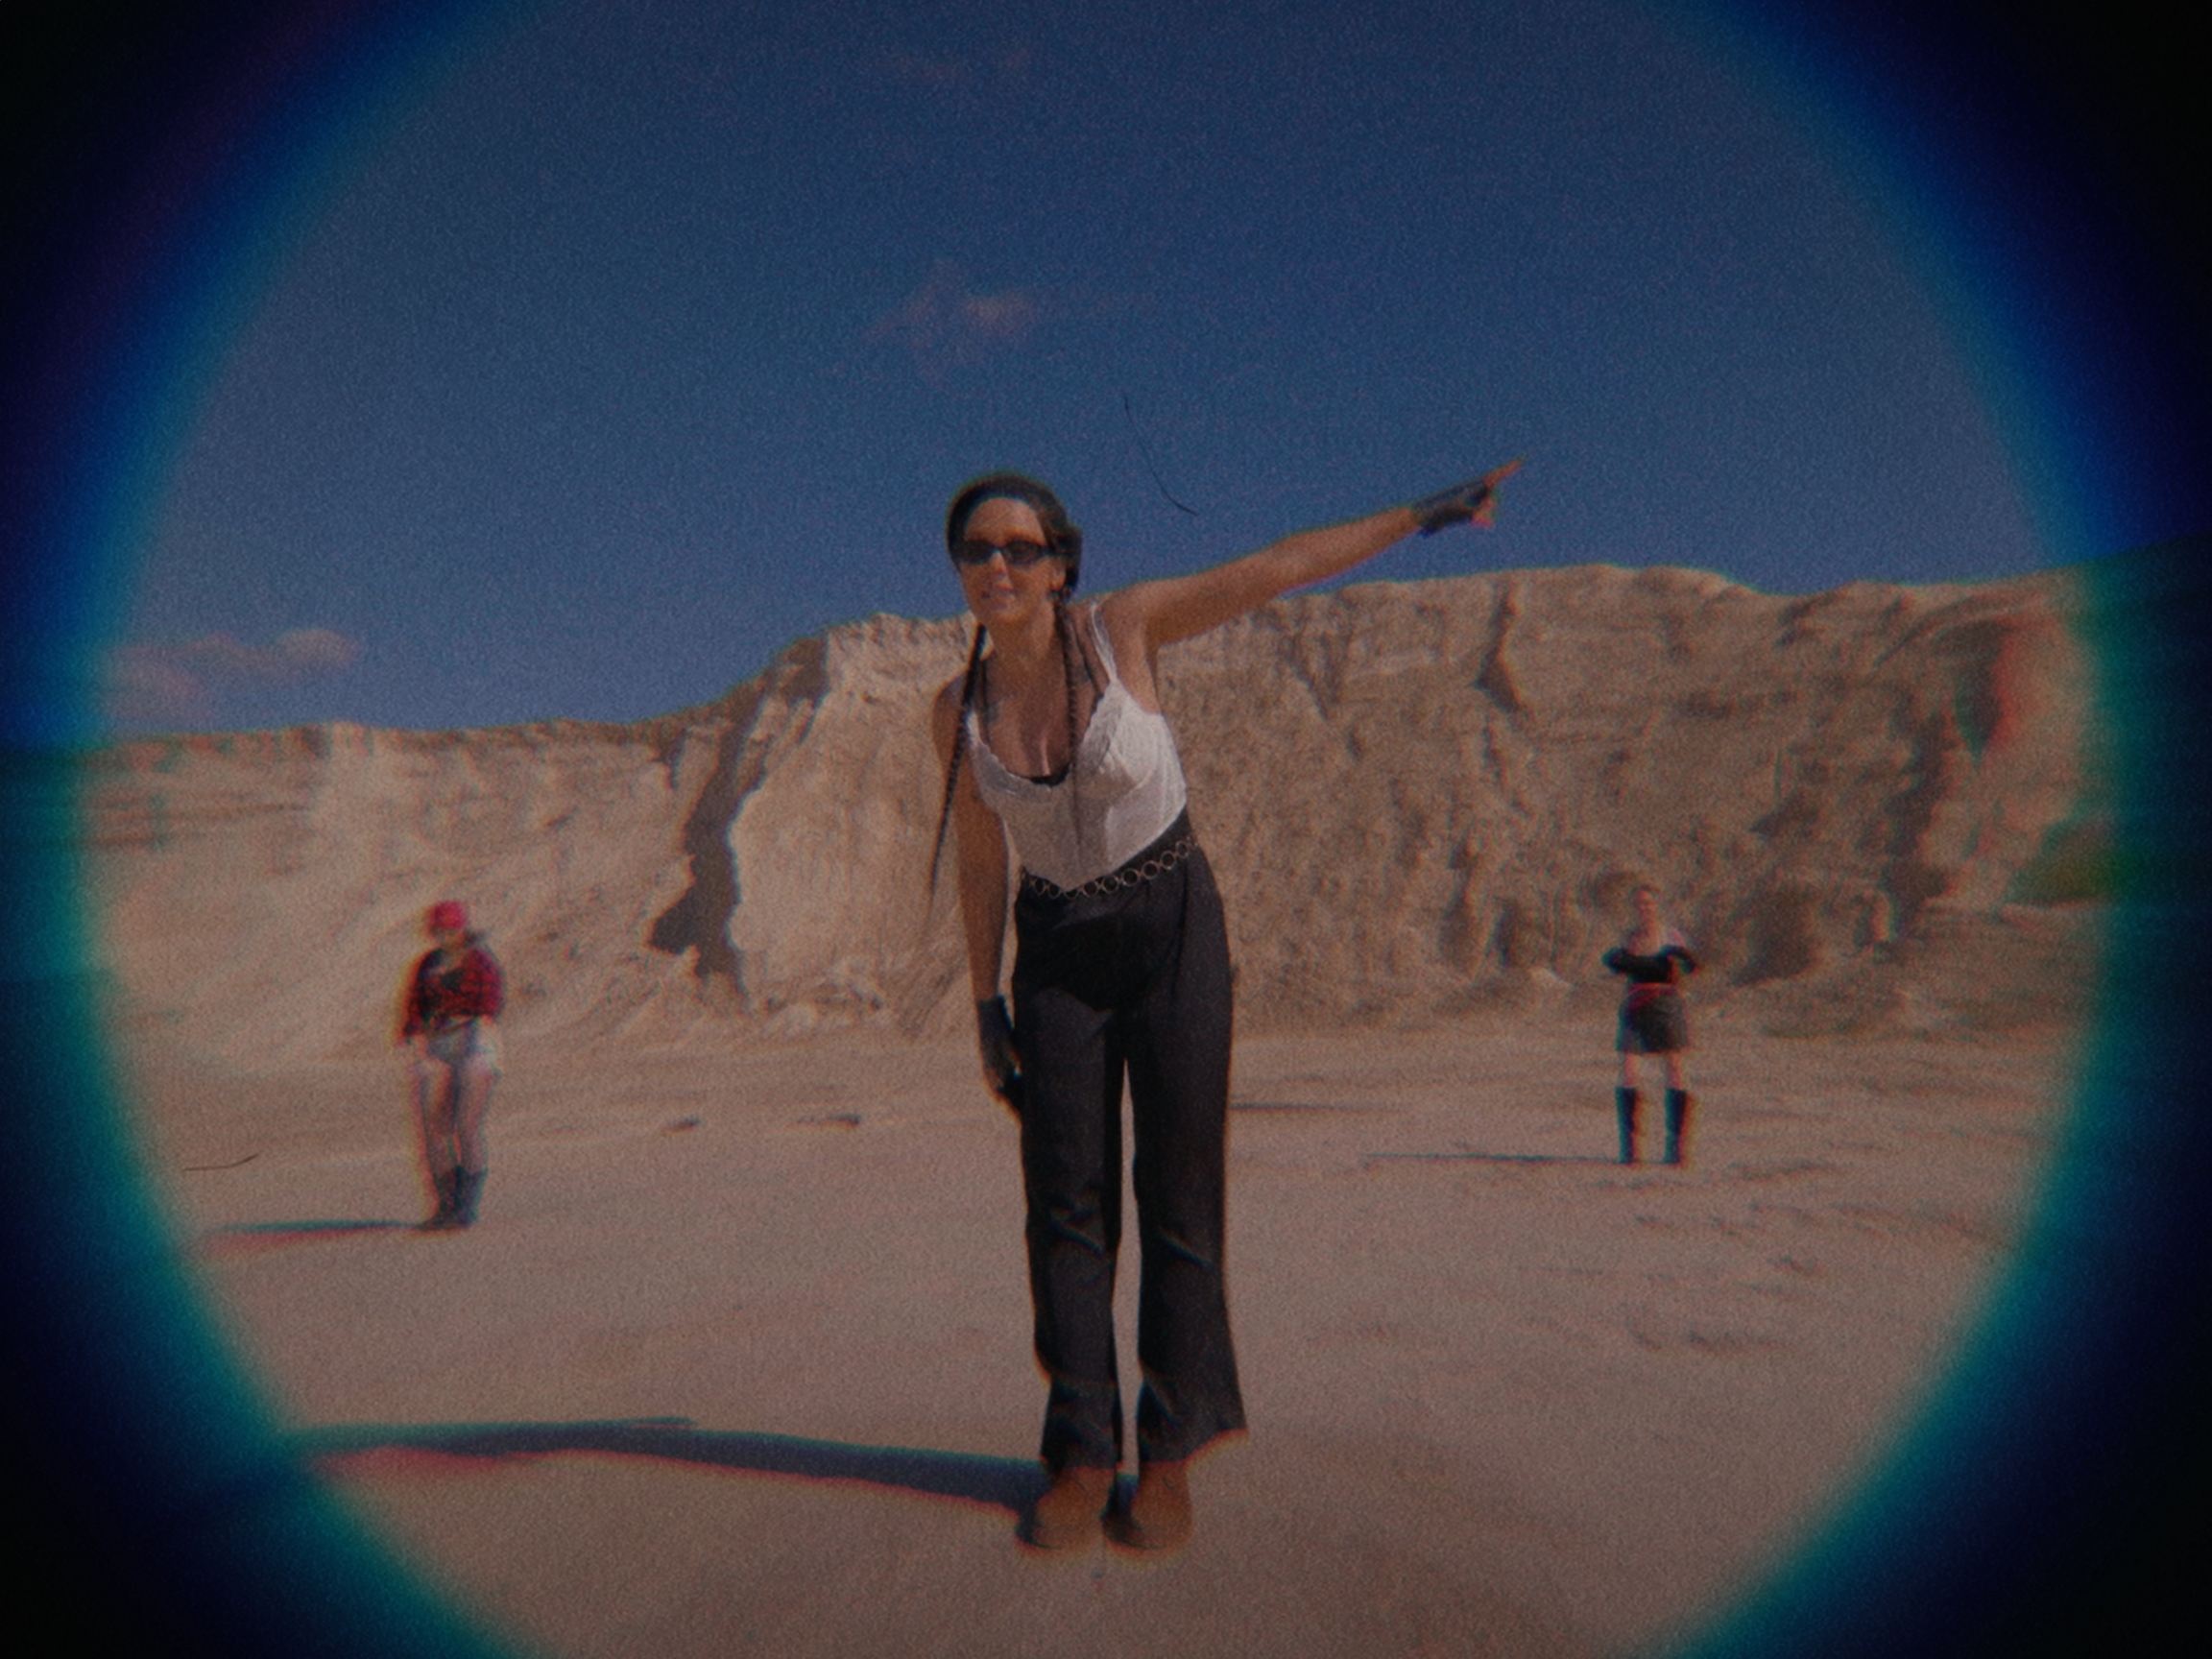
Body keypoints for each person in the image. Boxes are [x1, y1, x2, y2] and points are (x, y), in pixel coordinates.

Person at [928, 460, 1518, 1551]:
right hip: (1054, 949)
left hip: (1173, 926)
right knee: (1064, 1203)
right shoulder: (954, 710)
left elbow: (1276, 568)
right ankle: (1081, 1451)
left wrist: (1425, 512)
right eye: (976, 549)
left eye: (1019, 547)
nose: (996, 565)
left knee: (1181, 1192)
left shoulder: (1123, 631)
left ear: (1059, 565)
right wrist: (983, 999)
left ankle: (1170, 1449)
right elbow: (978, 859)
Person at [397, 899, 504, 1229]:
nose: (445, 936)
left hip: (474, 1041)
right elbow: (413, 1007)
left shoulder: (480, 962)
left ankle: (466, 1207)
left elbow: (491, 1003)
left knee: (466, 1126)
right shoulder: (427, 964)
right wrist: (413, 1036)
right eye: (439, 930)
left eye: (451, 930)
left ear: (462, 930)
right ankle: (444, 1206)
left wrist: (471, 1022)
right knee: (434, 1130)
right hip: (438, 1044)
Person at [1601, 884, 1696, 1166]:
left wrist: (1678, 961)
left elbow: (1688, 969)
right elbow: (1621, 968)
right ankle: (1630, 1148)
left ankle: (1676, 1148)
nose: (1643, 909)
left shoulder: (1670, 936)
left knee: (1675, 1069)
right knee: (1628, 1070)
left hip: (1666, 1002)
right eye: (1639, 904)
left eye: (1648, 903)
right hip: (1635, 1004)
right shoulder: (1631, 939)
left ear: (1656, 906)